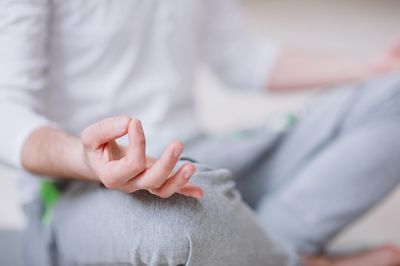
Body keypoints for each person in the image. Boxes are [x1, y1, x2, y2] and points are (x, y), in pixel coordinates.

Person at [1, 0, 400, 265]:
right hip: (78, 184)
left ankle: (249, 246)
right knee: (179, 227)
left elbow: (240, 58)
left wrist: (373, 69)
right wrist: (87, 161)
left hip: (195, 158)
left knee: (396, 95)